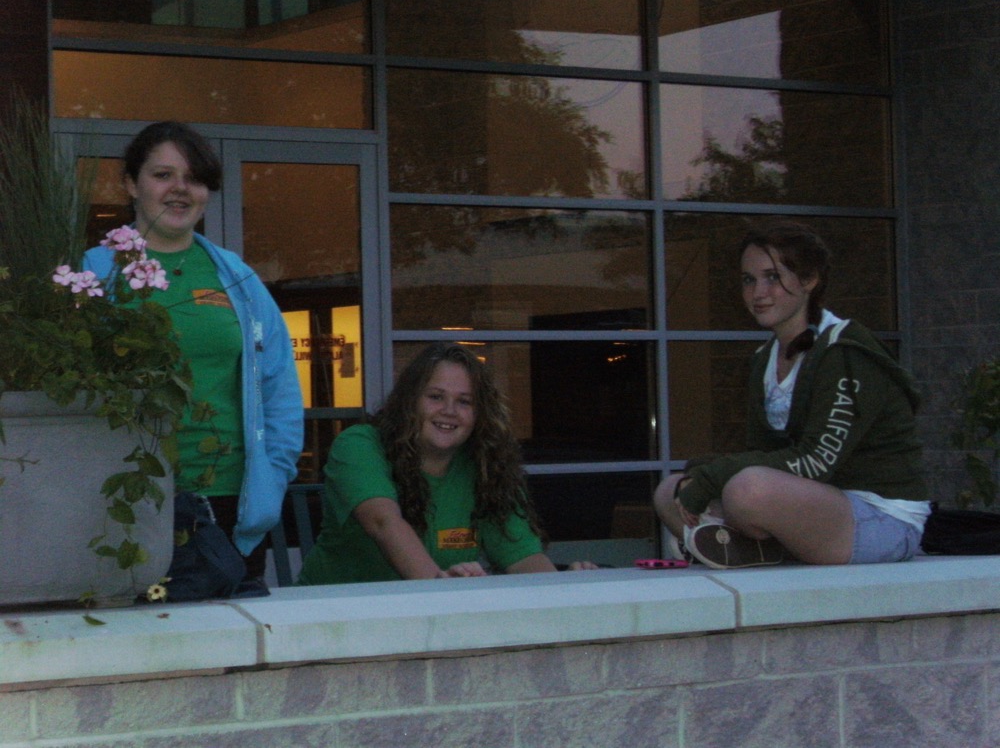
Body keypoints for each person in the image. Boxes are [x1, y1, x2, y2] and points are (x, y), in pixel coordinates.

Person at [84, 121, 303, 594]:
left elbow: (279, 383)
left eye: (194, 178)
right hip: (129, 495)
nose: (180, 189)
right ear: (131, 184)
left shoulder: (235, 277)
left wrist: (274, 476)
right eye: (163, 175)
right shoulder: (95, 273)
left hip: (229, 500)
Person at [653, 221, 930, 569]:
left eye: (773, 277)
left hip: (881, 518)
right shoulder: (764, 358)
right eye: (749, 280)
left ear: (809, 280)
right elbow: (764, 453)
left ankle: (755, 549)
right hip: (809, 502)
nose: (758, 293)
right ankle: (754, 550)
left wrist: (714, 476)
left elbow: (817, 460)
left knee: (747, 490)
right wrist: (703, 473)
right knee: (669, 492)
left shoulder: (845, 350)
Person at [298, 342, 596, 584]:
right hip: (335, 615)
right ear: (409, 401)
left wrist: (563, 588)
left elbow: (521, 557)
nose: (449, 410)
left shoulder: (484, 466)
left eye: (464, 401)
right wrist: (441, 588)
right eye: (436, 397)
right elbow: (383, 522)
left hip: (429, 620)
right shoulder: (360, 444)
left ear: (480, 414)